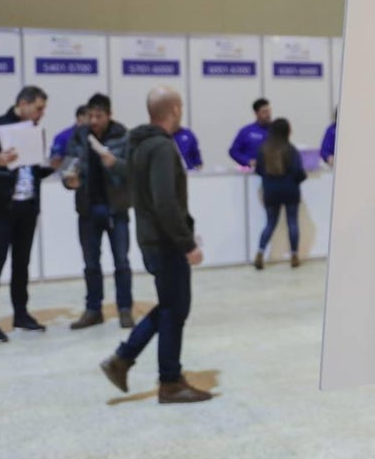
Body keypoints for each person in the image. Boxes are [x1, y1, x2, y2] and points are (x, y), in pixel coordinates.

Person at [98, 86, 212, 403]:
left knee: (172, 306)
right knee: (175, 309)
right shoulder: (161, 146)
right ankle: (169, 381)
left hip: (151, 238)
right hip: (165, 241)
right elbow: (165, 201)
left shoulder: (139, 144)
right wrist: (187, 243)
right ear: (174, 109)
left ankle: (123, 360)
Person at [0, 86, 54, 342]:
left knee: (22, 262)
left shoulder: (36, 131)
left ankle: (21, 313)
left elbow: (32, 171)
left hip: (27, 205)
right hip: (1, 206)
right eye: (38, 108)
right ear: (23, 103)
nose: (41, 114)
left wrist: (52, 167)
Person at [62, 93, 134, 330]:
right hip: (87, 209)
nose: (93, 121)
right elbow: (68, 166)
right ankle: (93, 310)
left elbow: (133, 171)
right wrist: (69, 180)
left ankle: (125, 309)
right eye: (90, 116)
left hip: (116, 209)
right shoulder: (79, 136)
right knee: (91, 264)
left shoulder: (123, 136)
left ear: (109, 115)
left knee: (121, 262)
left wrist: (115, 164)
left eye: (98, 116)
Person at [253, 118, 307, 270]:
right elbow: (298, 171)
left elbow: (258, 170)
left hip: (270, 191)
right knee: (292, 222)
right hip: (290, 190)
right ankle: (294, 255)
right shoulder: (291, 150)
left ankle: (260, 252)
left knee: (270, 223)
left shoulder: (263, 150)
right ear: (288, 131)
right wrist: (299, 179)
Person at [229, 98, 271, 169]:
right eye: (264, 112)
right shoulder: (246, 131)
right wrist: (248, 161)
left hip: (271, 171)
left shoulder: (275, 131)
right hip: (251, 171)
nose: (268, 114)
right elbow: (234, 151)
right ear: (256, 113)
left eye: (269, 111)